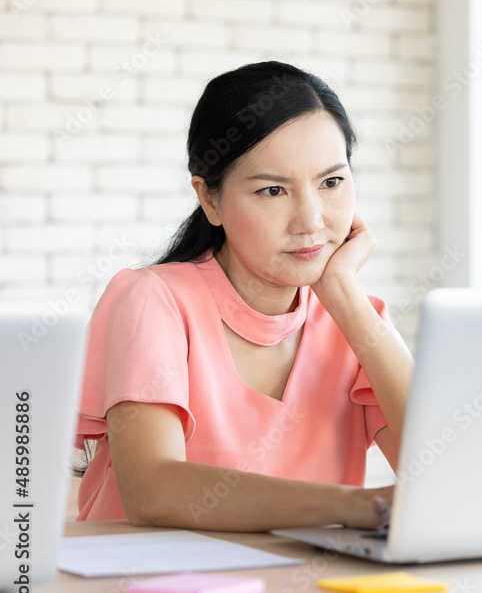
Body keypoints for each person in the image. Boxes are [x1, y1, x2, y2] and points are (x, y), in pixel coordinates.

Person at [73, 61, 412, 532]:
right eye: (273, 190)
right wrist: (352, 505)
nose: (310, 220)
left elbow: (447, 470)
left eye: (331, 182)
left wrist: (346, 298)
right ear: (209, 199)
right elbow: (152, 489)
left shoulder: (356, 320)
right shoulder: (156, 300)